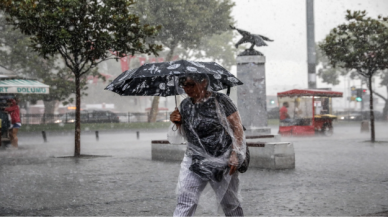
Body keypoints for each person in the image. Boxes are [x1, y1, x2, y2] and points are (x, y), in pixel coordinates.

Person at [170, 74, 246, 217]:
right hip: (195, 159)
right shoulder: (185, 105)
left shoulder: (221, 100)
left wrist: (235, 154)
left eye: (190, 84)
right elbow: (187, 134)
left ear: (204, 82)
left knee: (230, 203)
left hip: (223, 160)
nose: (186, 89)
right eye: (184, 85)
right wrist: (177, 122)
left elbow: (237, 127)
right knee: (185, 200)